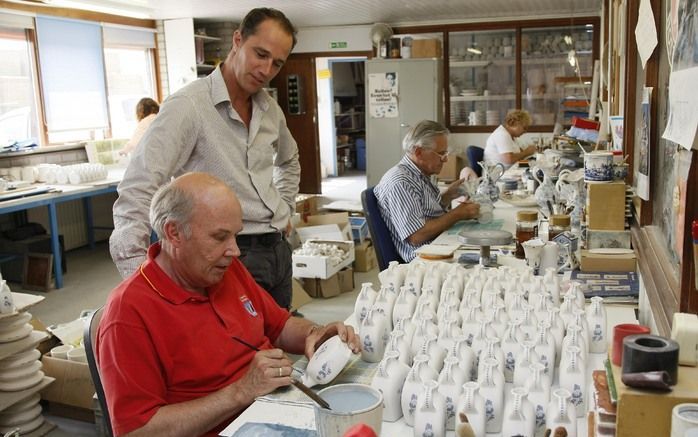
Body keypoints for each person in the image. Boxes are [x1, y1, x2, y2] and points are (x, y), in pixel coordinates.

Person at [97, 172, 360, 437]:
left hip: (273, 409)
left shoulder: (223, 269)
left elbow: (278, 326)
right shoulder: (128, 314)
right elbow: (137, 431)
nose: (234, 250)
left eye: (235, 235)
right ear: (173, 233)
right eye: (220, 237)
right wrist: (241, 391)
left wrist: (314, 333)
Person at [110, 8, 301, 310]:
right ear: (237, 40)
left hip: (277, 249)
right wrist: (140, 278)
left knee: (277, 349)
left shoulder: (269, 109)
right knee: (235, 354)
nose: (266, 70)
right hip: (228, 256)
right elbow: (137, 188)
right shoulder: (188, 107)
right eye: (260, 54)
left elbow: (289, 160)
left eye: (276, 63)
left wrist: (285, 207)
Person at [373, 120, 480, 262]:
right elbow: (416, 235)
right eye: (441, 153)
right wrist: (458, 213)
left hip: (439, 243)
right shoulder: (400, 182)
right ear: (418, 152)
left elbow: (425, 210)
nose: (446, 159)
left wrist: (448, 195)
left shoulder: (420, 173)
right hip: (424, 258)